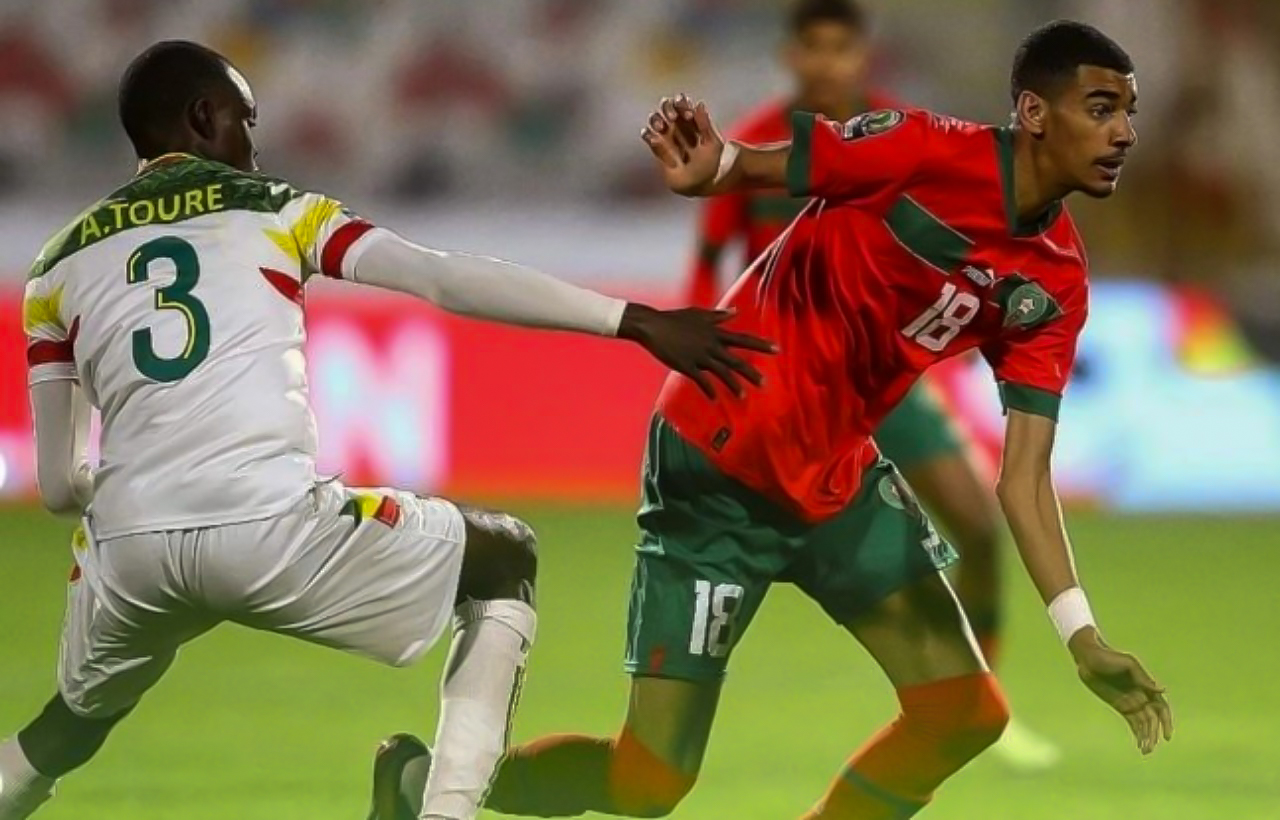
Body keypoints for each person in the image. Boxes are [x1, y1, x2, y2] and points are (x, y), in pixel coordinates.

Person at [369, 20, 1172, 820]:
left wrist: (1081, 634)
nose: (1124, 134)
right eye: (1101, 109)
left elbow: (1024, 476)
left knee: (963, 713)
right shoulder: (923, 150)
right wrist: (711, 167)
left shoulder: (1055, 282)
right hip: (722, 461)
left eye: (1128, 114)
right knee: (649, 784)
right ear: (1033, 112)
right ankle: (425, 784)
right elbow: (750, 165)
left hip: (835, 477)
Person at [0, 40, 773, 820]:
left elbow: (61, 487)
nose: (253, 143)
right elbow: (439, 276)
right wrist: (632, 319)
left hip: (130, 550)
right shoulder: (273, 208)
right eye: (244, 120)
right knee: (501, 556)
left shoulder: (57, 266)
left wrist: (155, 493)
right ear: (204, 117)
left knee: (66, 727)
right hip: (263, 525)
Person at [685, 0, 1058, 769]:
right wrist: (699, 362)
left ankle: (977, 693)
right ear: (792, 55)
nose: (828, 63)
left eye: (842, 48)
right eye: (814, 48)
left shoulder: (906, 135)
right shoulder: (757, 141)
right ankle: (683, 713)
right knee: (751, 554)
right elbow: (708, 261)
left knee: (978, 525)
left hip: (883, 377)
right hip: (782, 380)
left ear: (863, 55)